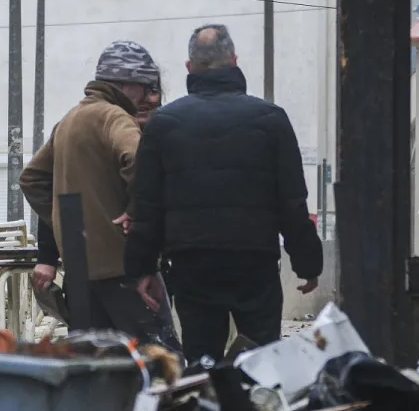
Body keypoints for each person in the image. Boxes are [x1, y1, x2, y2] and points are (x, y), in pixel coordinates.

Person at [125, 24, 323, 364]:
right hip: (254, 262)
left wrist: (142, 267)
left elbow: (147, 204)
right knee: (262, 359)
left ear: (189, 68)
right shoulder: (270, 120)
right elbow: (291, 201)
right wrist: (308, 262)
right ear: (233, 60)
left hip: (192, 263)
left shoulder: (165, 124)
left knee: (202, 360)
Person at [19, 40, 176, 347]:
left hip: (79, 275)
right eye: (144, 87)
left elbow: (32, 179)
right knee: (160, 362)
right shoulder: (113, 117)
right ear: (126, 84)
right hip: (124, 268)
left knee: (93, 367)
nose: (146, 96)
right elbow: (139, 160)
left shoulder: (68, 121)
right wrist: (136, 210)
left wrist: (66, 223)